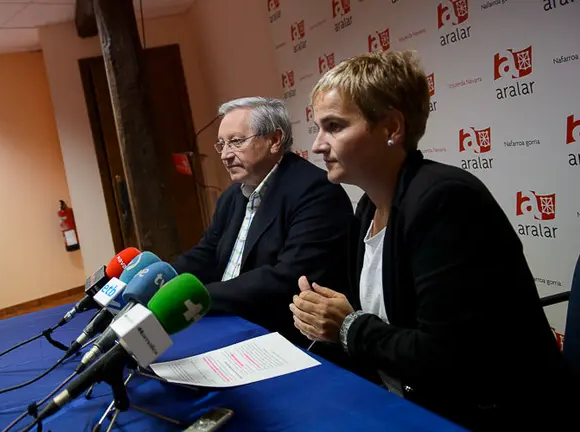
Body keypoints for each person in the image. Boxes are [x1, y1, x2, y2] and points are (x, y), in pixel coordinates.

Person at [289, 50, 569, 430]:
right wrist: (324, 319)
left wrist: (347, 326)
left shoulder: (445, 200)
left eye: (334, 126)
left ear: (392, 128)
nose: (317, 145)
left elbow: (448, 357)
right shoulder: (368, 208)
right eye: (318, 128)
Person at [172, 97, 354, 350]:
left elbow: (286, 279)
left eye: (236, 142)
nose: (225, 155)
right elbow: (207, 252)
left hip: (281, 337)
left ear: (274, 140)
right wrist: (164, 280)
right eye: (221, 144)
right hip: (227, 321)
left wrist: (199, 297)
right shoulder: (233, 195)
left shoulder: (316, 191)